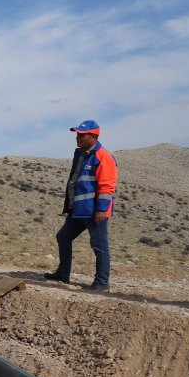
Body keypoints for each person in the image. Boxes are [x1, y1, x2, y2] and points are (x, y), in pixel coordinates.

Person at [44, 119, 117, 292]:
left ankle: (102, 282)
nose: (78, 138)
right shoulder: (81, 154)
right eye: (78, 135)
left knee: (99, 245)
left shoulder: (103, 156)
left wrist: (101, 209)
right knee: (63, 237)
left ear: (93, 137)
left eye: (82, 135)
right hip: (79, 209)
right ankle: (63, 274)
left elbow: (107, 186)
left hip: (94, 211)